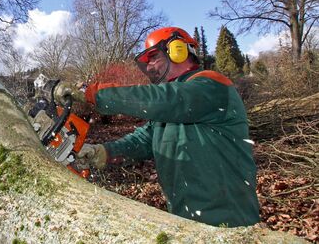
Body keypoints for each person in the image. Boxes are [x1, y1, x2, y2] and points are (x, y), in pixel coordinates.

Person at [55, 27, 260, 227]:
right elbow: (144, 140)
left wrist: (90, 93)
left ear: (177, 50)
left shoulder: (211, 85)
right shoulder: (170, 107)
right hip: (187, 217)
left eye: (154, 57)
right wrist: (103, 152)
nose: (150, 66)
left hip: (228, 218)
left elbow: (164, 99)